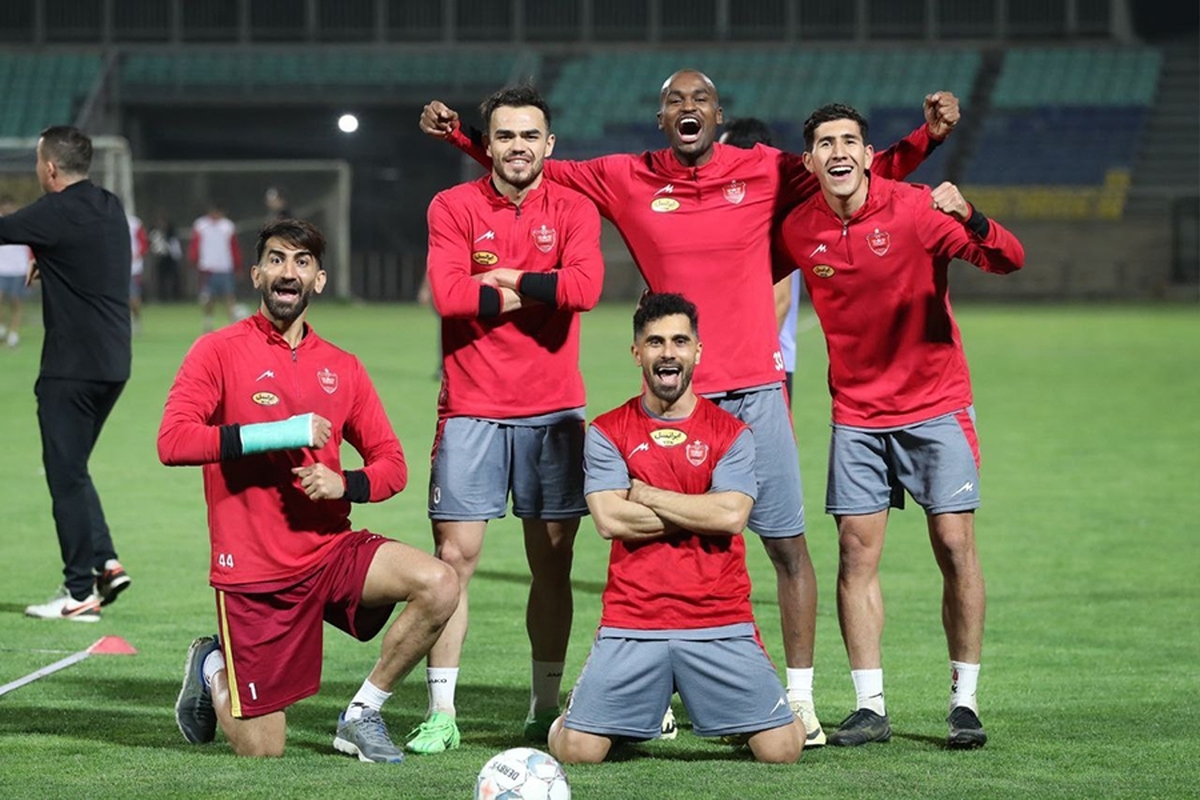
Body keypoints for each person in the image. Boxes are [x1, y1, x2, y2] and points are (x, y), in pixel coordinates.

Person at [421, 72, 961, 746]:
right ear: (660, 118)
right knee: (663, 542)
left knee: (786, 547)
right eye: (674, 100)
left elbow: (850, 170)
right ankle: (659, 690)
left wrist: (927, 138)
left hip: (757, 390)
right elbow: (527, 162)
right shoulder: (625, 177)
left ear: (717, 113)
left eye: (699, 99)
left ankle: (800, 700)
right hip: (678, 397)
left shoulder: (763, 169)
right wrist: (464, 138)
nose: (687, 108)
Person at [158, 218, 458, 761]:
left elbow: (393, 465)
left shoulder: (342, 367)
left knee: (439, 583)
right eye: (275, 259)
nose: (287, 272)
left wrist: (345, 483)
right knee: (263, 750)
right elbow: (173, 441)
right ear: (256, 274)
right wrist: (280, 433)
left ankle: (362, 712)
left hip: (327, 554)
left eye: (301, 262)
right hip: (254, 570)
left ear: (318, 280)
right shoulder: (217, 351)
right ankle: (212, 665)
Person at [776, 103, 1025, 749]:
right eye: (825, 143)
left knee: (955, 546)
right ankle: (870, 707)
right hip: (857, 417)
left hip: (936, 405)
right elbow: (741, 277)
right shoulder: (799, 228)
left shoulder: (915, 209)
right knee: (855, 553)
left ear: (868, 155)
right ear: (809, 161)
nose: (838, 151)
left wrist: (971, 215)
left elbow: (1008, 259)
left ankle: (964, 702)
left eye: (849, 141)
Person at [406, 85, 604, 754]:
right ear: (486, 144)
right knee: (451, 564)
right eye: (506, 135)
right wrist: (543, 285)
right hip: (471, 410)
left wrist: (509, 278)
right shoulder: (452, 206)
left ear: (549, 144)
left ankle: (543, 707)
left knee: (552, 564)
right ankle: (442, 712)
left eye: (529, 135)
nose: (518, 146)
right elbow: (449, 296)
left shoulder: (574, 207)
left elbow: (586, 290)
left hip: (555, 414)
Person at [549, 292, 804, 765]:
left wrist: (646, 494)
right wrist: (700, 507)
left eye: (680, 341)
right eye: (656, 342)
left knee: (782, 750)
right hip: (633, 620)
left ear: (697, 351)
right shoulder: (607, 431)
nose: (668, 353)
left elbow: (732, 517)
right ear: (637, 353)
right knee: (577, 750)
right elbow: (609, 520)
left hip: (718, 619)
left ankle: (729, 714)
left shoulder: (731, 433)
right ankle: (588, 714)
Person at [0, 127, 133, 621]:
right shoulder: (110, 205)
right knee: (72, 469)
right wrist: (48, 259)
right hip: (114, 364)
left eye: (38, 161)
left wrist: (42, 251)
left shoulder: (52, 213)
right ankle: (105, 563)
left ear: (50, 168)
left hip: (70, 368)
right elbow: (83, 251)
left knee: (65, 475)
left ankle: (79, 593)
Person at [718, 118, 800, 406]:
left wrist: (744, 363)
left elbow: (780, 300)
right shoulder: (743, 212)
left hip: (761, 369)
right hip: (732, 367)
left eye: (722, 151)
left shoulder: (771, 213)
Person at [189, 202, 242, 331]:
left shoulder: (228, 226)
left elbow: (234, 247)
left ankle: (232, 324)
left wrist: (237, 265)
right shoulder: (201, 225)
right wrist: (194, 259)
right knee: (208, 298)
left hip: (225, 267)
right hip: (208, 267)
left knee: (229, 296)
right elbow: (195, 244)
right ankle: (208, 322)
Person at [0, 196, 34, 348]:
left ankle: (13, 334)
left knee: (16, 302)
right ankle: (1, 328)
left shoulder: (22, 222)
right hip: (1, 269)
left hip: (18, 269)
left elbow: (31, 246)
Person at [149, 210, 183, 302]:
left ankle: (176, 296)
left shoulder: (171, 231)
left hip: (170, 257)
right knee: (161, 278)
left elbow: (174, 244)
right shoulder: (155, 231)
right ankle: (162, 296)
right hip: (160, 257)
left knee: (174, 277)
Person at [127, 212, 149, 333]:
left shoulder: (135, 223)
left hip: (133, 268)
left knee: (134, 297)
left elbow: (144, 244)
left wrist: (137, 255)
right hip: (114, 267)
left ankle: (136, 320)